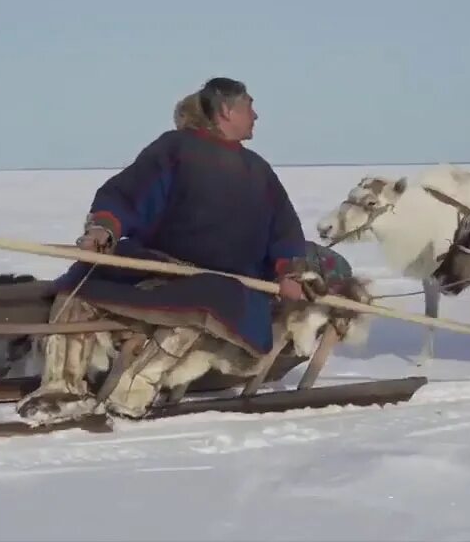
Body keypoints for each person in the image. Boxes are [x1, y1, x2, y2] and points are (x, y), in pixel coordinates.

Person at [16, 77, 313, 425]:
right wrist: (103, 229)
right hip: (158, 263)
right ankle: (61, 389)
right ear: (227, 111)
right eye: (250, 105)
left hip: (230, 282)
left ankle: (132, 391)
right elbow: (130, 194)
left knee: (207, 300)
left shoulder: (260, 171)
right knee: (83, 278)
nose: (257, 115)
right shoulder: (175, 149)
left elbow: (284, 231)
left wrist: (289, 273)